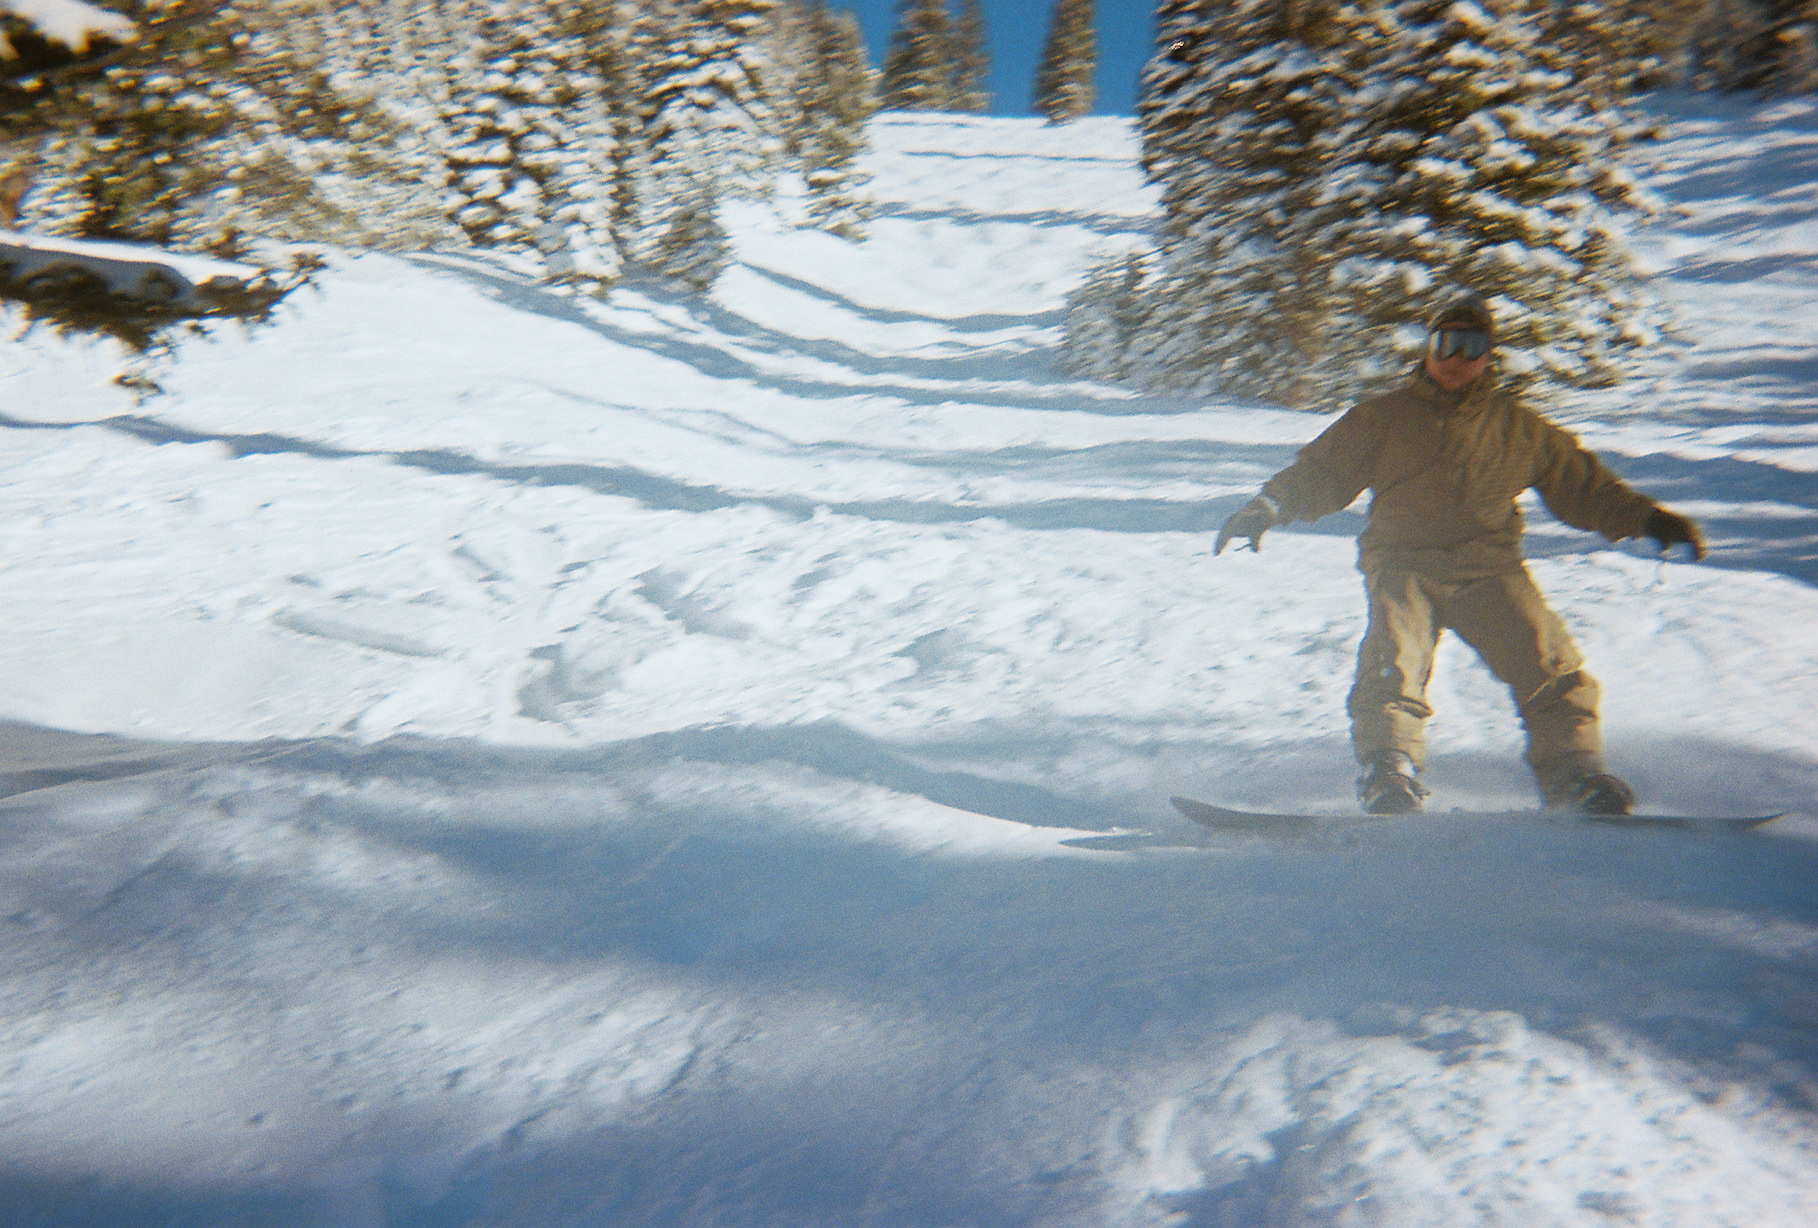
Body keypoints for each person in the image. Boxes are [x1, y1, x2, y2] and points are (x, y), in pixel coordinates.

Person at [1215, 292, 1705, 815]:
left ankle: (1575, 775)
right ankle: (1390, 770)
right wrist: (1267, 507)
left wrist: (1648, 518)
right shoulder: (1383, 418)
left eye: (1471, 347)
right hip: (1403, 564)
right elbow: (1323, 472)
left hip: (1487, 569)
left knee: (1550, 665)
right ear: (1428, 350)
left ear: (1488, 356)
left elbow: (1584, 487)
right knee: (1393, 664)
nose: (1455, 359)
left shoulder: (1517, 427)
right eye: (1446, 344)